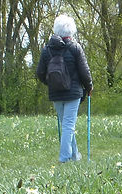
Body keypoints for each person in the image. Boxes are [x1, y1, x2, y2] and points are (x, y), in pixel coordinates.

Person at [35, 14, 93, 163]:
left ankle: (75, 156)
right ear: (71, 30)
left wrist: (51, 83)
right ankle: (64, 158)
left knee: (66, 125)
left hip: (56, 93)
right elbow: (84, 71)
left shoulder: (47, 49)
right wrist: (89, 87)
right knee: (68, 125)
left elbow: (40, 73)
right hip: (73, 93)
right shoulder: (75, 47)